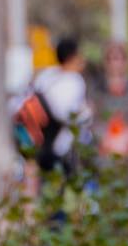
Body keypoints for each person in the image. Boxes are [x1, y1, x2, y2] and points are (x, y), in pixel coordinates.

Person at [89, 39, 128, 189]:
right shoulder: (96, 89)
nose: (115, 63)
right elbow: (92, 118)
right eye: (111, 58)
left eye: (120, 58)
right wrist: (107, 139)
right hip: (105, 153)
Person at [25, 36, 91, 179]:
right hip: (60, 147)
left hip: (38, 142)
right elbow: (67, 114)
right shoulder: (74, 81)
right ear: (72, 57)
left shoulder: (46, 76)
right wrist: (86, 114)